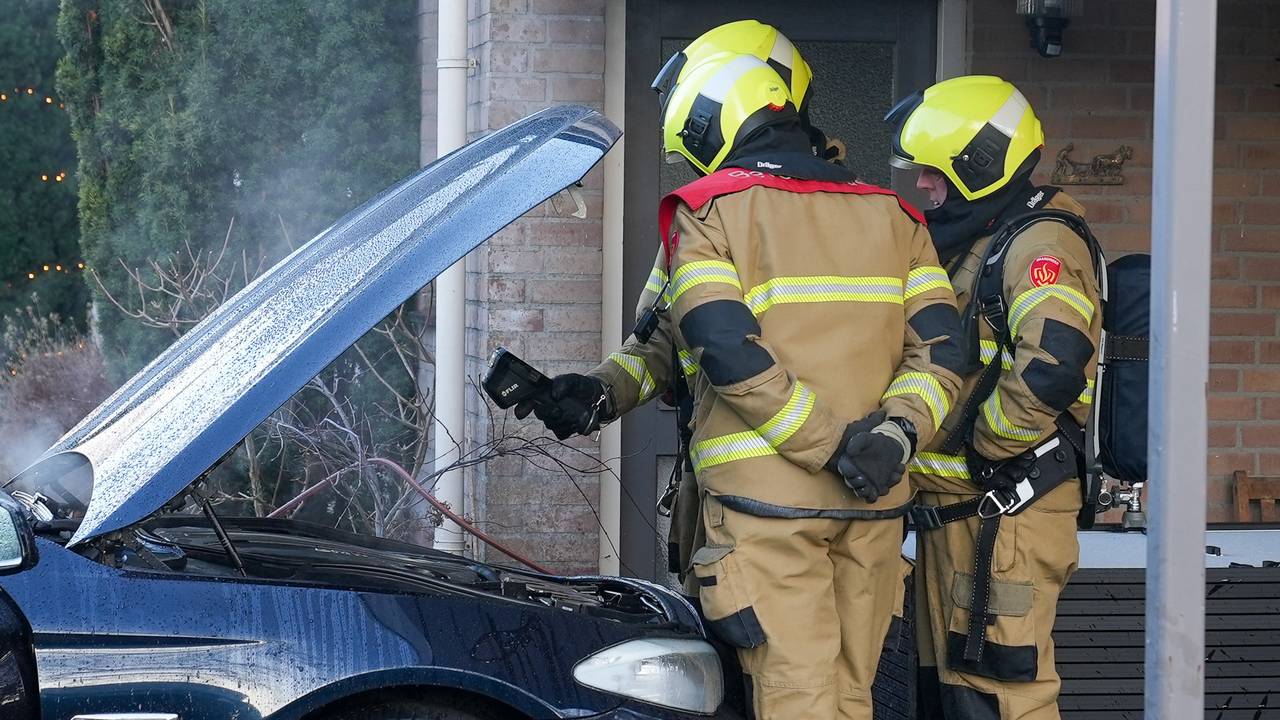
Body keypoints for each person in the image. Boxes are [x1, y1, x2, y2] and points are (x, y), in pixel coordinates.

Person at [643, 52, 961, 719]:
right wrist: (895, 437)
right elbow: (943, 348)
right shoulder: (897, 217)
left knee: (800, 700)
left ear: (715, 122)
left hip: (768, 514)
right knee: (850, 697)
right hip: (874, 506)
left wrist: (828, 444)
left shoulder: (709, 212)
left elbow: (724, 348)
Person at [516, 20, 836, 594]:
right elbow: (662, 337)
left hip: (816, 503)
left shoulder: (851, 214)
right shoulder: (705, 217)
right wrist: (597, 392)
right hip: (720, 493)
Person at [884, 75, 1102, 719]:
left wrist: (989, 447)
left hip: (1006, 512)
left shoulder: (1041, 241)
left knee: (1002, 690)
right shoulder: (987, 235)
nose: (924, 186)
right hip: (964, 514)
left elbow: (1055, 364)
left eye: (933, 172)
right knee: (951, 691)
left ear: (982, 165)